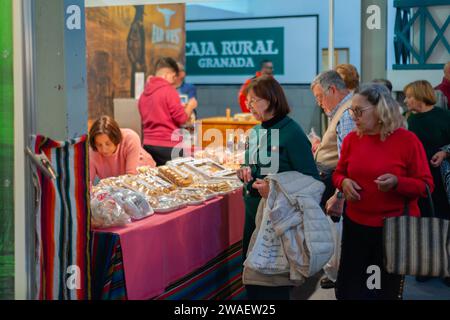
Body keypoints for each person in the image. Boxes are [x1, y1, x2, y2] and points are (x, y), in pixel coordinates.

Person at [332, 83, 434, 300]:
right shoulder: (352, 139)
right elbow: (338, 173)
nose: (354, 116)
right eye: (352, 110)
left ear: (381, 110)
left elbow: (425, 185)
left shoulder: (407, 141)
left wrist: (397, 182)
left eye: (360, 111)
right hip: (355, 227)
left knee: (380, 291)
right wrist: (344, 182)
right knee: (347, 290)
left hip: (391, 231)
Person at [236, 76, 319, 300]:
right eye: (248, 101)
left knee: (272, 287)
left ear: (271, 100)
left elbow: (311, 181)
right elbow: (249, 164)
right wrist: (244, 169)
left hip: (277, 222)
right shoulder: (254, 132)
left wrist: (274, 190)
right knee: (253, 283)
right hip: (253, 218)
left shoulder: (292, 133)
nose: (249, 106)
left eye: (254, 101)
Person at [310, 70, 356, 289]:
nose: (319, 103)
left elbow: (348, 160)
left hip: (339, 184)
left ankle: (338, 274)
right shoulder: (343, 110)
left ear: (333, 90)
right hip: (336, 181)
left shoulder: (346, 113)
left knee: (338, 233)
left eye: (320, 97)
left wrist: (339, 194)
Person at [404, 80, 450, 286]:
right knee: (423, 220)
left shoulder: (443, 116)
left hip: (442, 177)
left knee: (444, 219)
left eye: (409, 96)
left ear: (420, 96)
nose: (405, 100)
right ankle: (428, 265)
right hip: (420, 178)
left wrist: (444, 152)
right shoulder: (409, 120)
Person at [138, 57, 197, 166]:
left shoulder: (143, 95)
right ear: (167, 74)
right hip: (169, 146)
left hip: (148, 145)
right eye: (174, 77)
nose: (174, 81)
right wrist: (190, 106)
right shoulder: (169, 91)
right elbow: (181, 118)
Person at [89, 115, 156, 184]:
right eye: (99, 145)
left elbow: (131, 176)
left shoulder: (130, 138)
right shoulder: (93, 151)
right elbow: (87, 182)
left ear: (116, 139)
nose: (104, 149)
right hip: (118, 185)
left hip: (144, 179)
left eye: (108, 144)